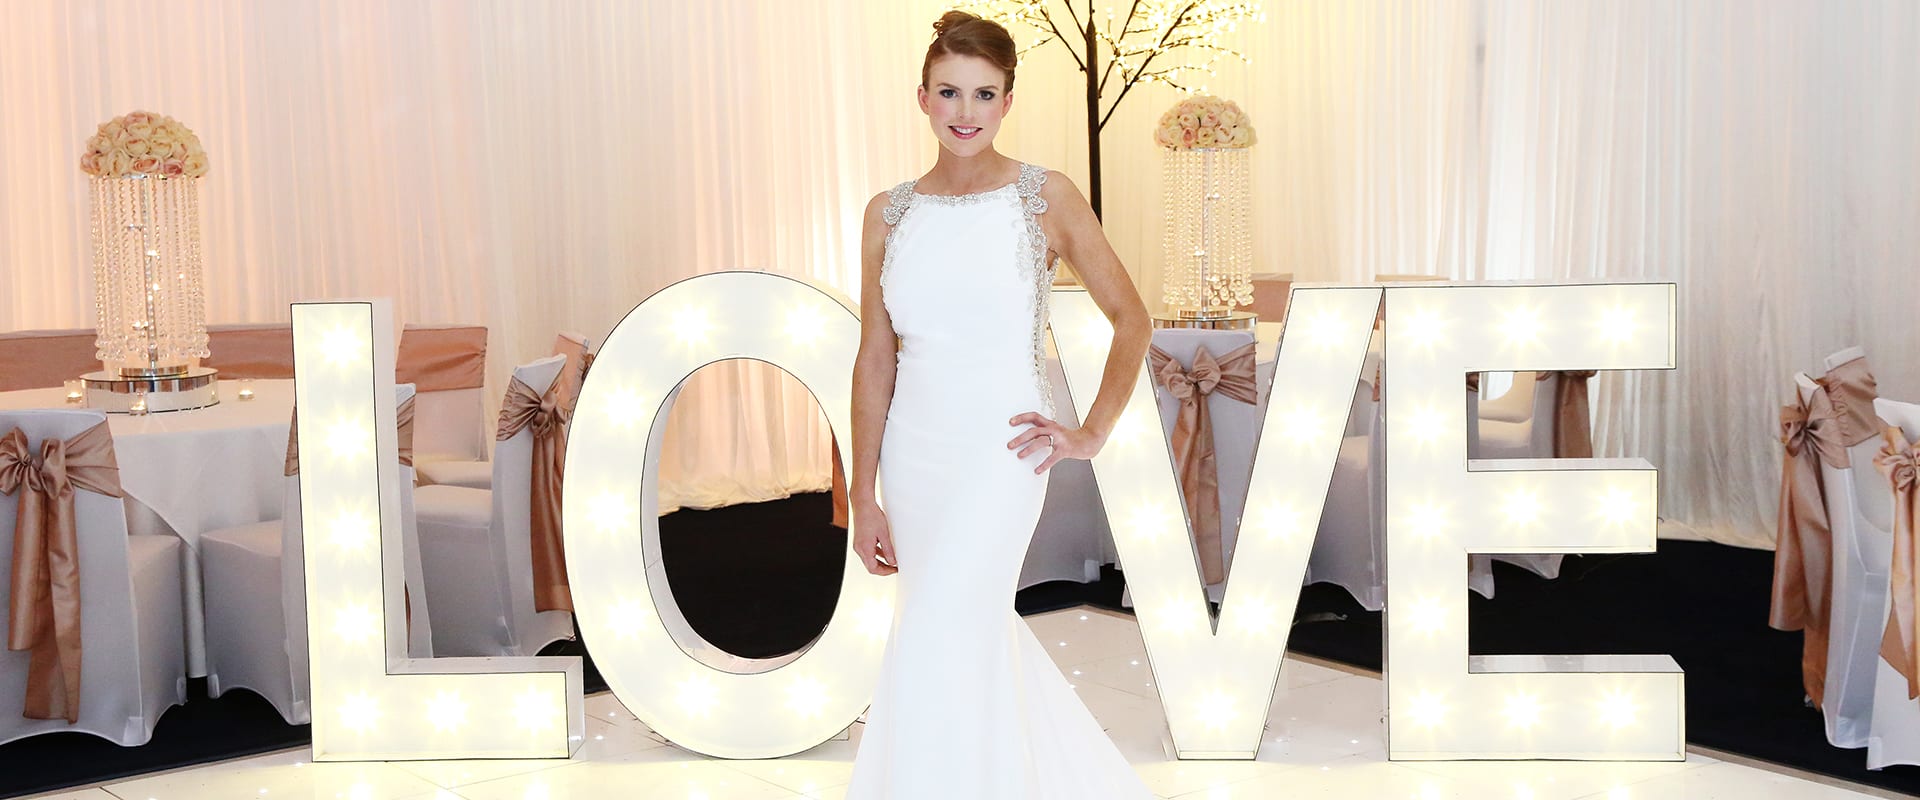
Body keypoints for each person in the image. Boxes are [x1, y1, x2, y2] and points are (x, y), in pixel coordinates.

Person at [843, 10, 1157, 798]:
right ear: (922, 97)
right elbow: (875, 357)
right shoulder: (888, 213)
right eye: (949, 91)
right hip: (914, 458)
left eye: (984, 94)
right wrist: (861, 493)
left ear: (1008, 102)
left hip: (1002, 454)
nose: (965, 111)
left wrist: (1091, 431)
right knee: (949, 629)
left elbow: (1132, 319)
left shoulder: (1044, 196)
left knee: (945, 622)